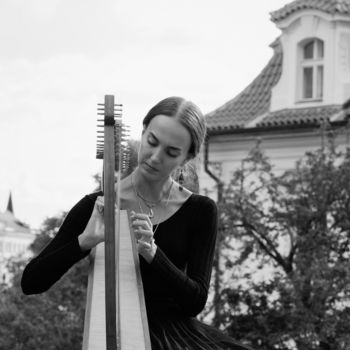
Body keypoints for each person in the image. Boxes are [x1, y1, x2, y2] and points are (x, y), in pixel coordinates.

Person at [21, 97, 254, 350]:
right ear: (143, 133)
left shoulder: (200, 210)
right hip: (111, 334)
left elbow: (195, 301)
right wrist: (83, 242)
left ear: (187, 157)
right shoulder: (97, 206)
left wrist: (154, 255)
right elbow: (31, 282)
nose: (155, 157)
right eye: (152, 142)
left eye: (171, 152)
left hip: (176, 340)